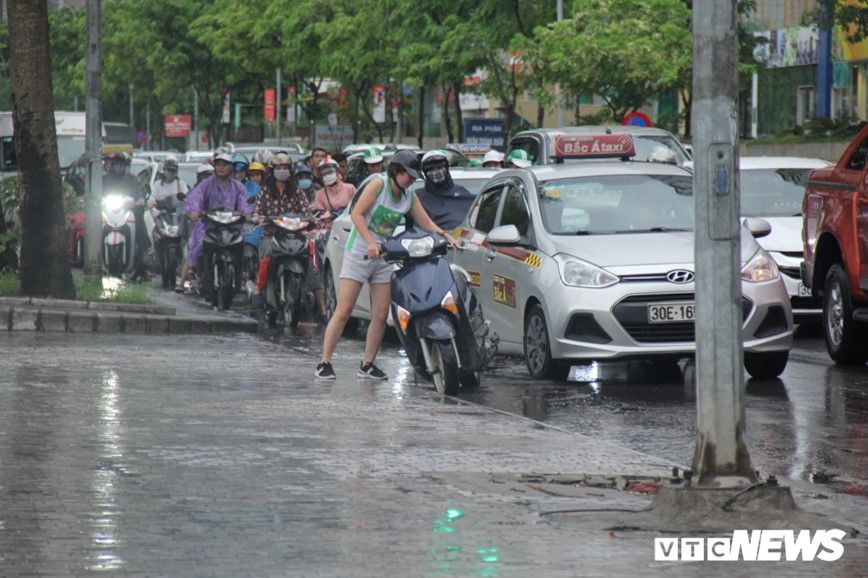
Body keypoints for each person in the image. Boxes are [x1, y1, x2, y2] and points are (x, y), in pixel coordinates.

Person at [315, 149, 461, 381]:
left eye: (414, 176)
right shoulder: (378, 186)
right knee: (344, 310)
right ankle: (324, 362)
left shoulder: (409, 196)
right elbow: (357, 215)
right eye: (409, 175)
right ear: (396, 171)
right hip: (360, 252)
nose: (412, 180)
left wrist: (446, 235)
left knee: (381, 313)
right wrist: (371, 242)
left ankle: (367, 364)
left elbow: (425, 222)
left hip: (384, 256)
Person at [249, 153, 329, 324]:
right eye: (279, 168)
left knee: (310, 265)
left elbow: (307, 213)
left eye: (285, 168)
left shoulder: (298, 191)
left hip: (295, 235)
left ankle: (322, 309)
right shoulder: (264, 192)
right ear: (272, 171)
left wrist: (312, 220)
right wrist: (261, 218)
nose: (282, 171)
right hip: (271, 234)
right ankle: (257, 289)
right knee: (267, 255)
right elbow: (256, 213)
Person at [185, 151, 251, 302]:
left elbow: (244, 204)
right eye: (218, 165)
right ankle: (200, 274)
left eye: (225, 165)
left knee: (244, 245)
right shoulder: (207, 184)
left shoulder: (239, 187)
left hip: (233, 228)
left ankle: (241, 274)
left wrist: (247, 214)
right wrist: (194, 211)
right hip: (210, 226)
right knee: (201, 245)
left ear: (231, 168)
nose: (221, 168)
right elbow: (195, 198)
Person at [103, 151, 150, 280]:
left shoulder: (132, 179)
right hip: (108, 212)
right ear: (112, 165)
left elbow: (140, 194)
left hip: (126, 212)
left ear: (125, 166)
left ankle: (142, 251)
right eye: (116, 164)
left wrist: (140, 200)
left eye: (121, 164)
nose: (119, 166)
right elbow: (97, 194)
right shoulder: (105, 178)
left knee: (139, 215)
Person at [416, 149, 475, 232]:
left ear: (446, 167)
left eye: (439, 167)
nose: (436, 172)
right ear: (425, 172)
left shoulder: (461, 192)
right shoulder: (417, 197)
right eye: (431, 169)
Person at [314, 157, 355, 225]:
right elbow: (320, 216)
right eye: (324, 173)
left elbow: (357, 207)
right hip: (330, 228)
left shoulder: (350, 188)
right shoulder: (319, 194)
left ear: (337, 172)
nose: (327, 175)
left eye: (330, 172)